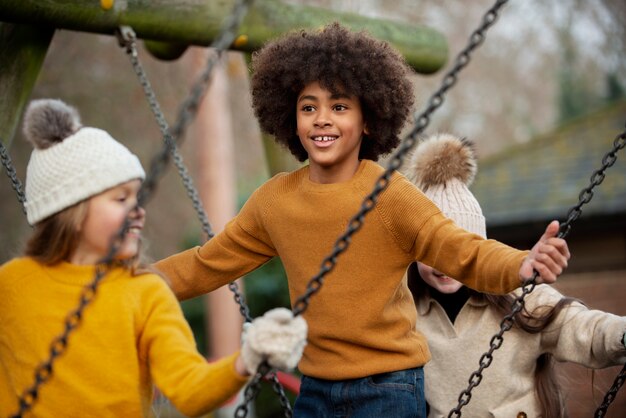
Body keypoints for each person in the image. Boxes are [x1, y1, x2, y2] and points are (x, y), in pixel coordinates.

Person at [154, 23, 570, 417]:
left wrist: (521, 263)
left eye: (339, 107)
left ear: (368, 119)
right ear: (289, 117)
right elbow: (208, 262)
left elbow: (460, 250)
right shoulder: (275, 201)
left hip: (387, 387)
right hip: (315, 385)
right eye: (308, 107)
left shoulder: (391, 196)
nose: (322, 118)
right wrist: (138, 280)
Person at [0, 99, 306, 418]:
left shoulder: (146, 293)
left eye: (138, 196)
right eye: (121, 199)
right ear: (72, 212)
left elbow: (190, 389)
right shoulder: (11, 285)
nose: (139, 211)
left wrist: (248, 358)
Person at [404, 132, 626, 418]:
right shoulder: (407, 312)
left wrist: (621, 333)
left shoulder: (521, 298)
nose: (445, 265)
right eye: (433, 253)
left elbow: (585, 329)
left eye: (458, 253)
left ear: (479, 251)